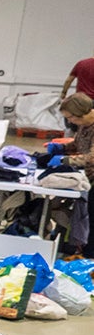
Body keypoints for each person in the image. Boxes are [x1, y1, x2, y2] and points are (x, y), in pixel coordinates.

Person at [48, 95, 94, 255]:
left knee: (92, 218)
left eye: (70, 117)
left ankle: (89, 256)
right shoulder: (85, 125)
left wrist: (65, 160)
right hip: (88, 175)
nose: (70, 121)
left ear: (81, 113)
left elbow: (92, 157)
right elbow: (79, 143)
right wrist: (62, 148)